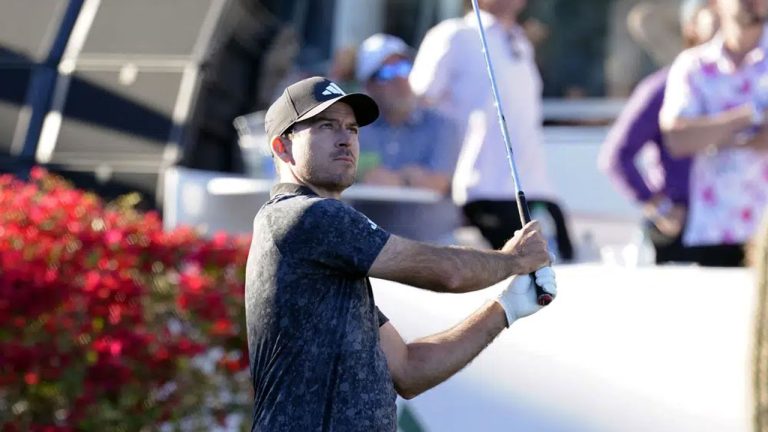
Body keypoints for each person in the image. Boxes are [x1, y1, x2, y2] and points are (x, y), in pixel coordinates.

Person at [245, 76, 556, 431]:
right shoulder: (307, 216)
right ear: (281, 147)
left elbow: (408, 369)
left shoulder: (328, 255)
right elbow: (446, 273)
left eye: (352, 128)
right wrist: (515, 259)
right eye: (326, 126)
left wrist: (507, 308)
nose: (346, 138)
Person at [409, 0, 574, 260]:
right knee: (518, 279)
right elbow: (416, 107)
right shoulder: (454, 35)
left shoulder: (519, 39)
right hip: (483, 190)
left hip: (536, 189)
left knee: (562, 273)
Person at [598, 0, 718, 264]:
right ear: (692, 27)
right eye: (715, 15)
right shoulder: (666, 85)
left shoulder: (752, 83)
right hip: (685, 231)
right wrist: (660, 207)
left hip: (737, 222)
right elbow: (617, 155)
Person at [660, 0, 768, 267]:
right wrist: (747, 116)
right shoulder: (693, 64)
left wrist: (712, 132)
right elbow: (677, 138)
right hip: (715, 231)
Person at [348, 33, 462, 243]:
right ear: (368, 86)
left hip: (432, 243)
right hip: (369, 243)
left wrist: (399, 179)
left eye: (403, 68)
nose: (400, 79)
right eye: (387, 73)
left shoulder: (442, 125)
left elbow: (437, 183)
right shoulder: (353, 127)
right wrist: (410, 177)